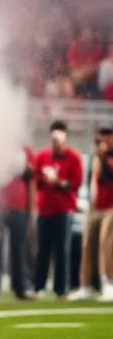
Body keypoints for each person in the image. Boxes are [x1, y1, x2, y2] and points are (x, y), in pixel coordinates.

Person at [31, 120, 84, 300]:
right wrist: (44, 180)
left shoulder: (74, 157)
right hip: (45, 209)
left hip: (64, 209)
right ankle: (39, 286)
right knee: (42, 250)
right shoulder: (42, 157)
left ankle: (61, 289)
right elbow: (36, 181)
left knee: (62, 250)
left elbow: (76, 183)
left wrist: (59, 183)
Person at [72, 127, 113, 301]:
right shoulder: (94, 156)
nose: (104, 139)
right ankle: (85, 285)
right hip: (94, 207)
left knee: (106, 244)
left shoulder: (108, 157)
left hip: (110, 208)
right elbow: (92, 180)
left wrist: (104, 158)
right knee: (87, 245)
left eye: (108, 135)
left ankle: (108, 283)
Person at [0, 147, 33, 301]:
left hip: (18, 206)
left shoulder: (25, 150)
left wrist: (30, 208)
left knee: (19, 249)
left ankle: (21, 288)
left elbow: (31, 178)